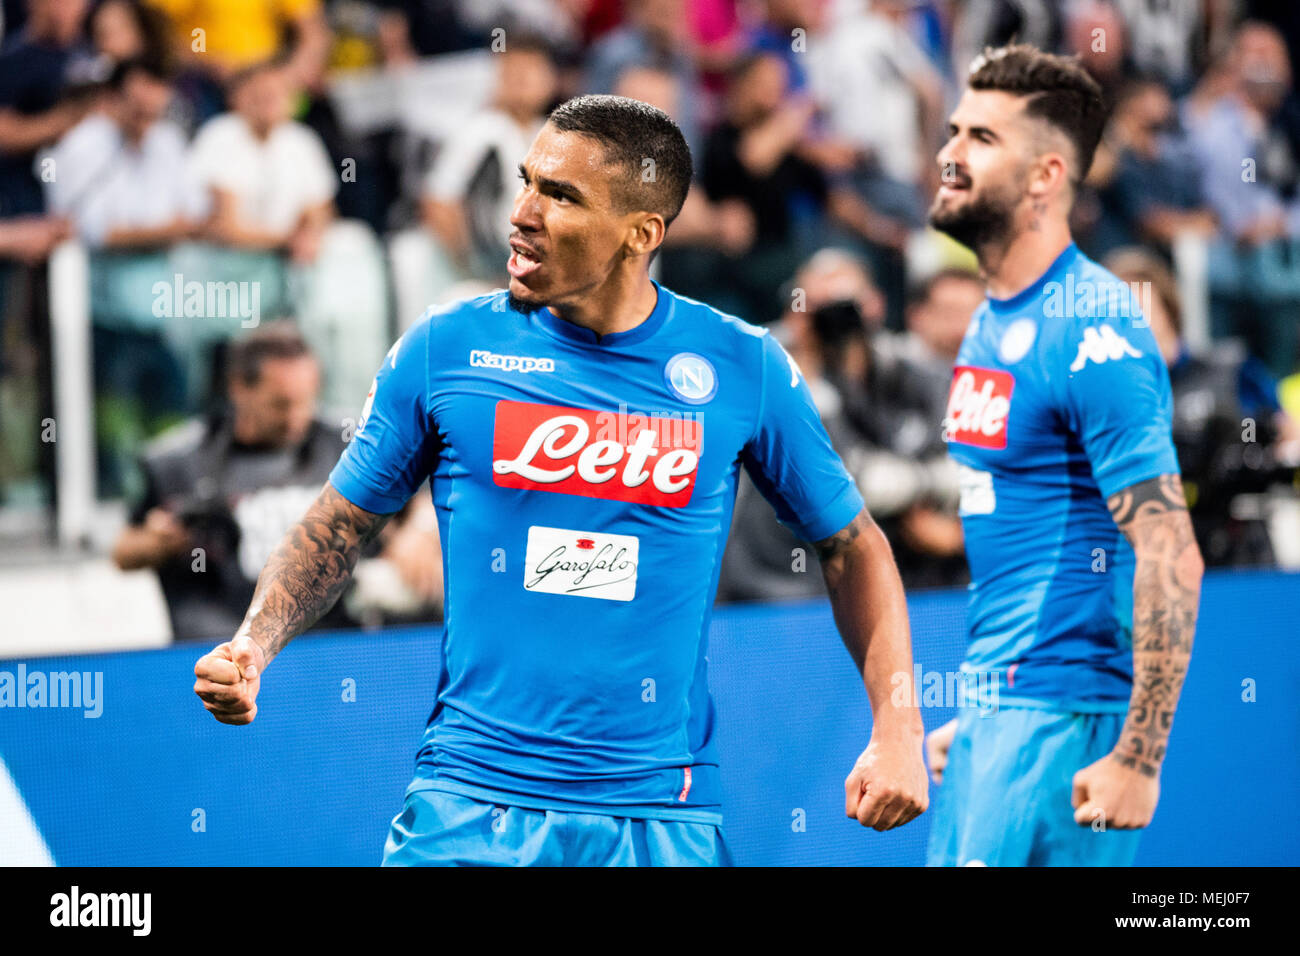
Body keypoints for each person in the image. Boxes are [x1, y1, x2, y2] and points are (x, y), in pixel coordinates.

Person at [193, 94, 929, 866]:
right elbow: (337, 525)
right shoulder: (448, 349)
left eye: (561, 195)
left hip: (660, 815)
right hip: (468, 808)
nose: (522, 213)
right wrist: (254, 643)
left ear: (641, 233)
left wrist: (898, 728)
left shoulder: (742, 366)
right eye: (527, 181)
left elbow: (854, 546)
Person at [922, 44, 1204, 866]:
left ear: (1046, 176)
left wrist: (1139, 759)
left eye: (981, 138)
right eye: (952, 130)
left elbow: (1169, 552)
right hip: (1003, 711)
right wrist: (980, 712)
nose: (949, 153)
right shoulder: (989, 318)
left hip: (1060, 721)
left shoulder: (1097, 328)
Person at [114, 322, 439, 640]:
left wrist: (416, 534)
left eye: (307, 399)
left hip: (342, 643)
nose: (297, 415)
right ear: (238, 388)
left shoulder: (350, 442)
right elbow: (124, 552)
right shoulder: (181, 462)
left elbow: (420, 503)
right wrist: (160, 542)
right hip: (226, 649)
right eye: (281, 404)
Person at [1105, 247, 1300, 568]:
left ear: (1168, 310)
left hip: (1237, 552)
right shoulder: (1102, 402)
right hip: (1147, 560)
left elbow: (1271, 427)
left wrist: (1245, 441)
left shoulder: (1227, 369)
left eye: (1139, 309)